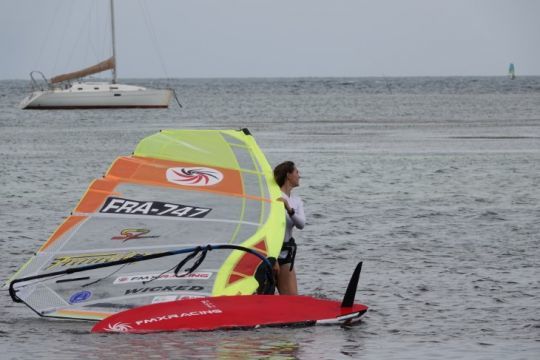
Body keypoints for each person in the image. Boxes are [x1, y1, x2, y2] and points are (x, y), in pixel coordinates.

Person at [273, 161, 305, 295]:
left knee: (292, 299)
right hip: (269, 254)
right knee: (263, 300)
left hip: (286, 253)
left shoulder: (296, 201)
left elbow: (301, 224)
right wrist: (272, 257)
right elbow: (270, 229)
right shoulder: (274, 197)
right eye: (297, 172)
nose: (299, 176)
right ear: (288, 175)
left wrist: (289, 208)